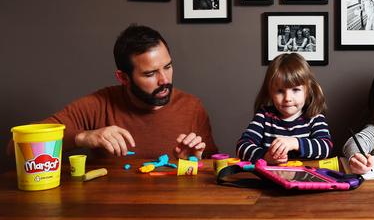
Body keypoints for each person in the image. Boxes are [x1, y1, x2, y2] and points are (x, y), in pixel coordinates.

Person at [8, 25, 218, 160]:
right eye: (150, 73)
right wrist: (83, 137)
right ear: (123, 78)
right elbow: (15, 147)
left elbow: (213, 168)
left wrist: (195, 160)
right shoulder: (98, 104)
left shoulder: (192, 107)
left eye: (168, 67)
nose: (164, 80)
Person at [236, 53, 333, 164]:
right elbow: (242, 146)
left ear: (308, 91)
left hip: (305, 179)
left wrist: (295, 143)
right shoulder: (264, 117)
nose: (287, 98)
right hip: (270, 178)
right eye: (280, 91)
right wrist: (265, 156)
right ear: (270, 92)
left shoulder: (315, 118)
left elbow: (325, 147)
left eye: (295, 90)